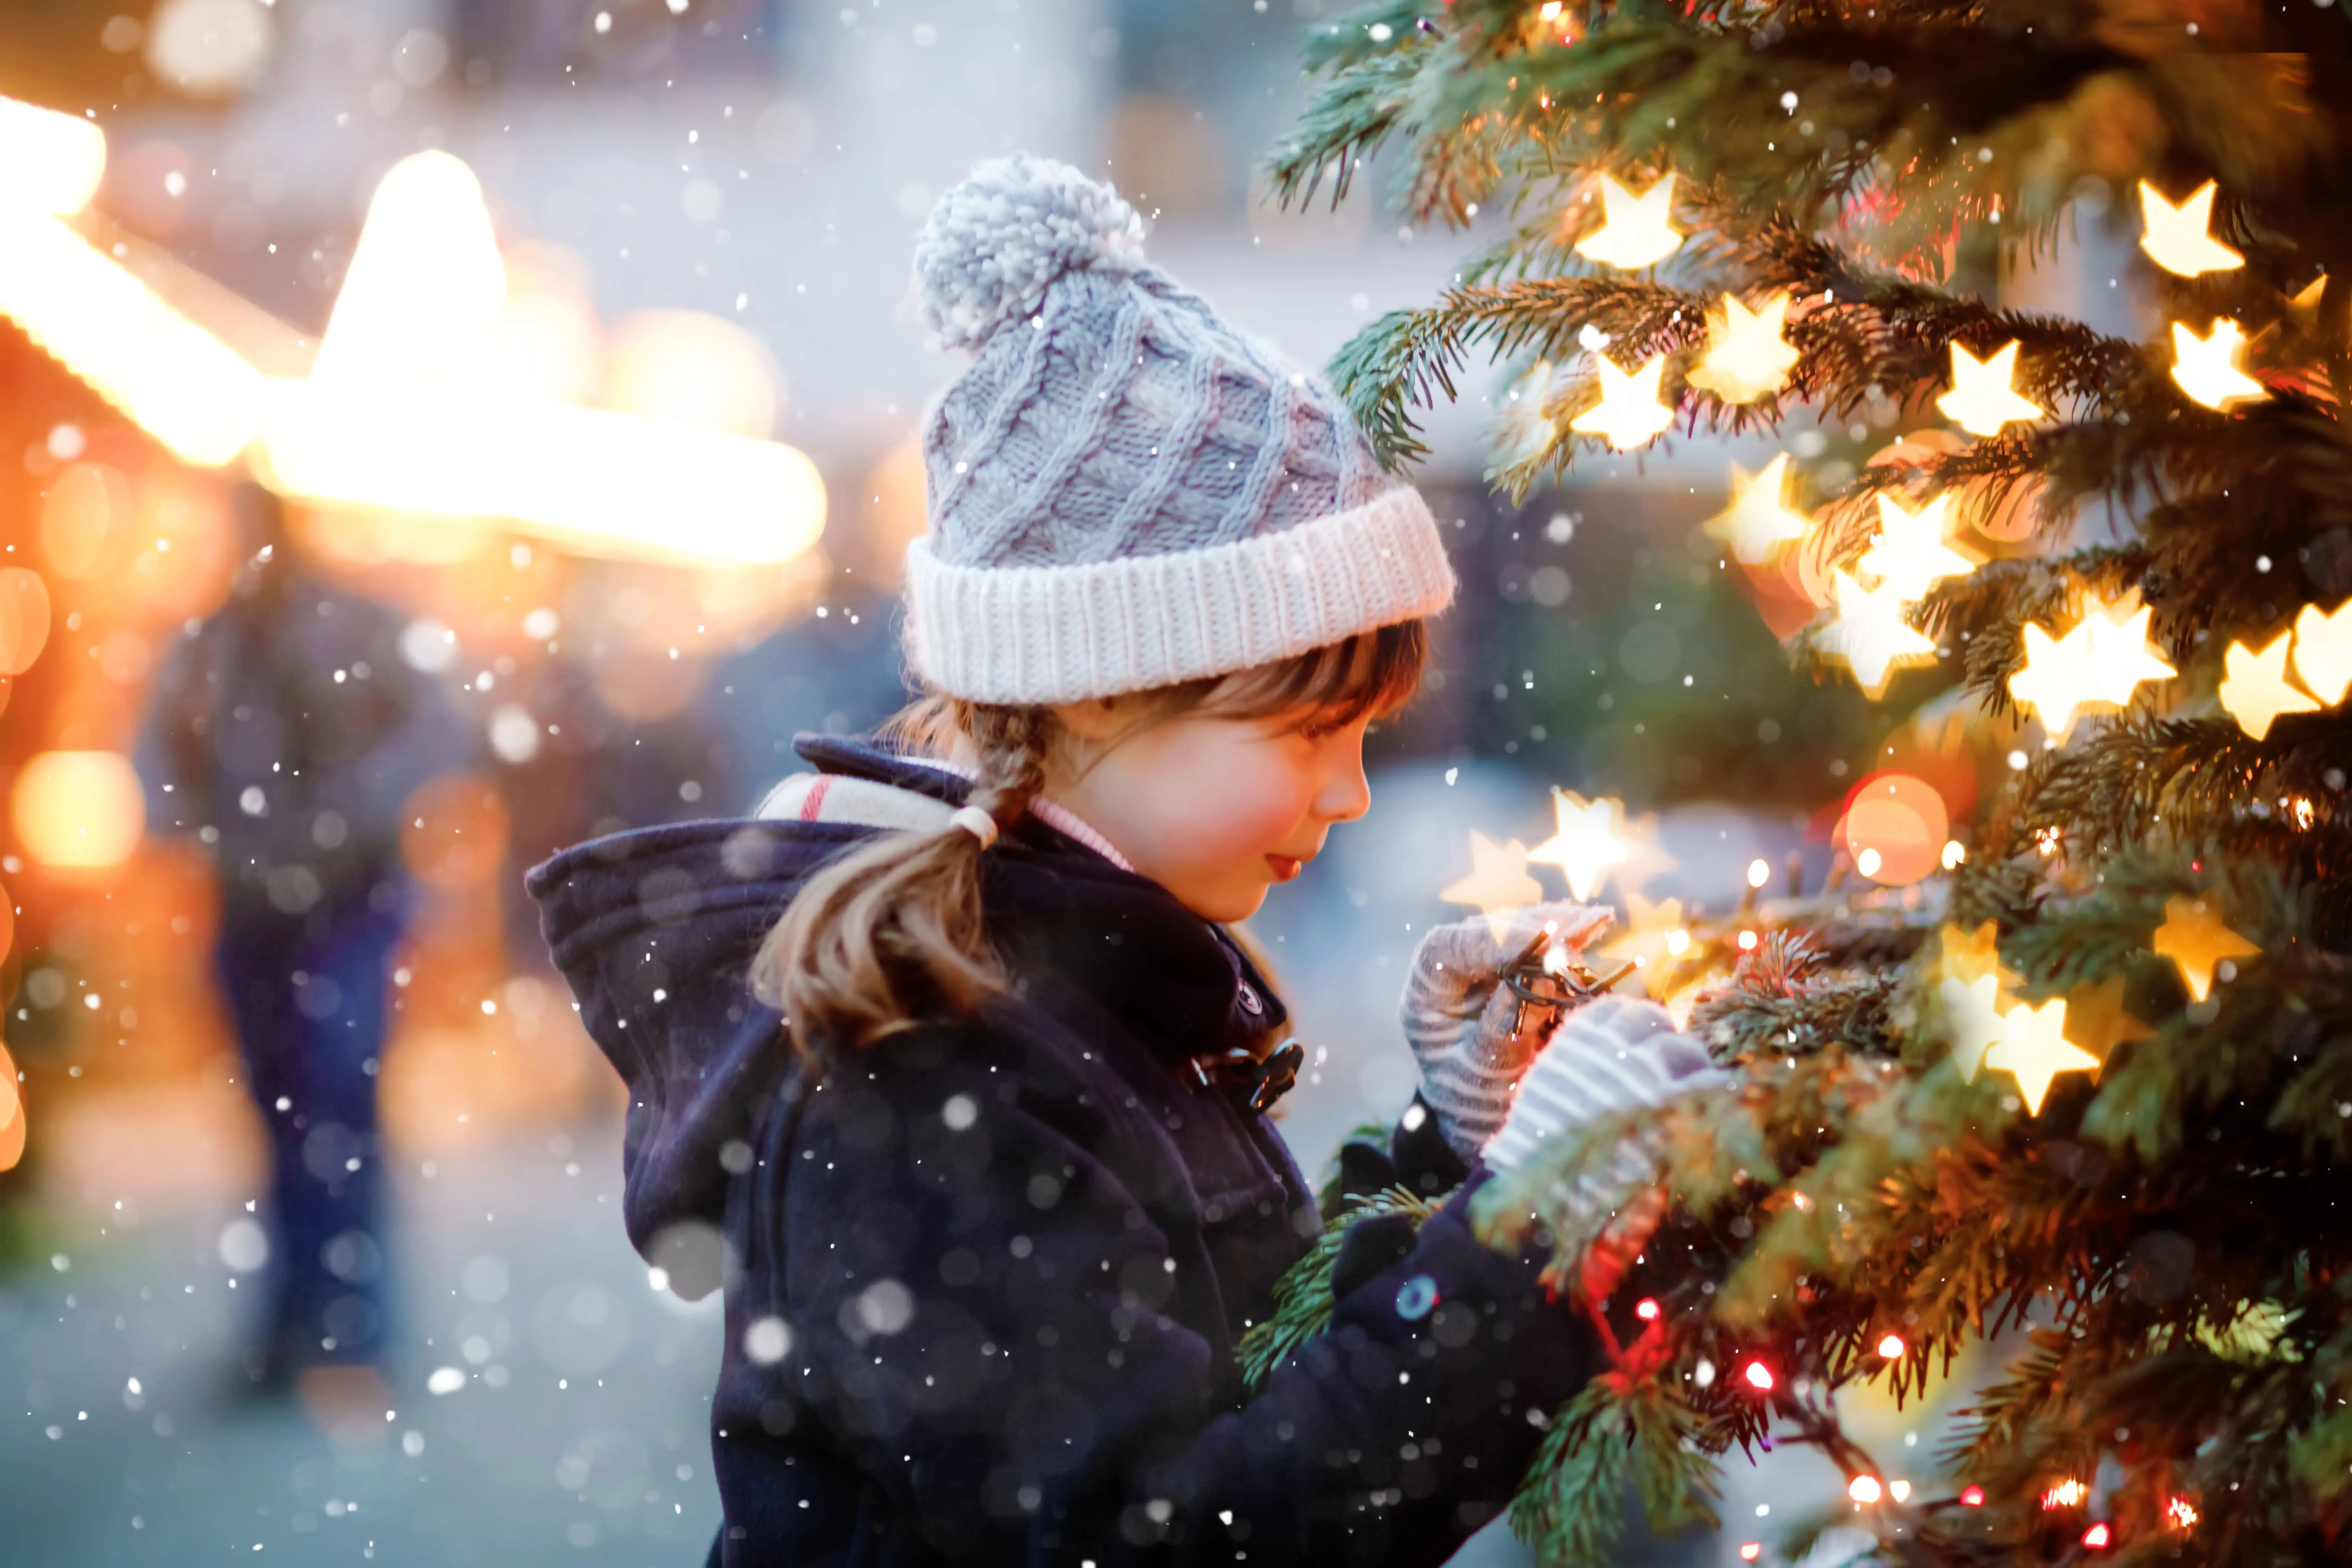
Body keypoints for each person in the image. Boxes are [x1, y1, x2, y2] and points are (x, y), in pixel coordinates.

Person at [528, 159, 1714, 1566]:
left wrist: (1447, 1158)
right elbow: (1185, 1531)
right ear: (1099, 688)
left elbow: (1220, 1347)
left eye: (1371, 736)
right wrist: (1527, 1232)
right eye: (1307, 728)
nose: (1346, 794)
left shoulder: (1060, 989)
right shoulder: (922, 1074)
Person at [139, 487, 470, 1412]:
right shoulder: (207, 644)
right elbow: (156, 758)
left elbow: (437, 733)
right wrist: (205, 832)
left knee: (335, 1104)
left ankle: (352, 1329)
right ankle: (292, 1326)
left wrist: (345, 816)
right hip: (251, 909)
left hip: (349, 902)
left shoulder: (359, 627)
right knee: (278, 1116)